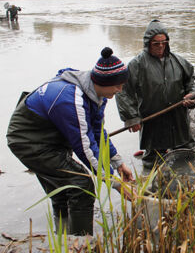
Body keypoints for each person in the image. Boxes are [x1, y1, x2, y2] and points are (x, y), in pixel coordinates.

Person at [7, 47, 134, 236]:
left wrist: (118, 162)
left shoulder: (97, 93)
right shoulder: (71, 99)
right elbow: (84, 147)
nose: (120, 90)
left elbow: (97, 132)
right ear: (102, 82)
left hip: (52, 138)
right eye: (117, 85)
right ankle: (82, 243)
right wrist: (114, 182)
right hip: (28, 140)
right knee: (81, 184)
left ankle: (63, 239)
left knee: (62, 191)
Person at [116, 19, 195, 169]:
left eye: (163, 42)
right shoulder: (137, 64)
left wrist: (192, 95)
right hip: (152, 120)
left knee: (186, 156)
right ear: (148, 43)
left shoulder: (179, 61)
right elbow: (122, 91)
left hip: (178, 118)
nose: (160, 46)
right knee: (152, 161)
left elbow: (190, 82)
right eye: (156, 43)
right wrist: (131, 117)